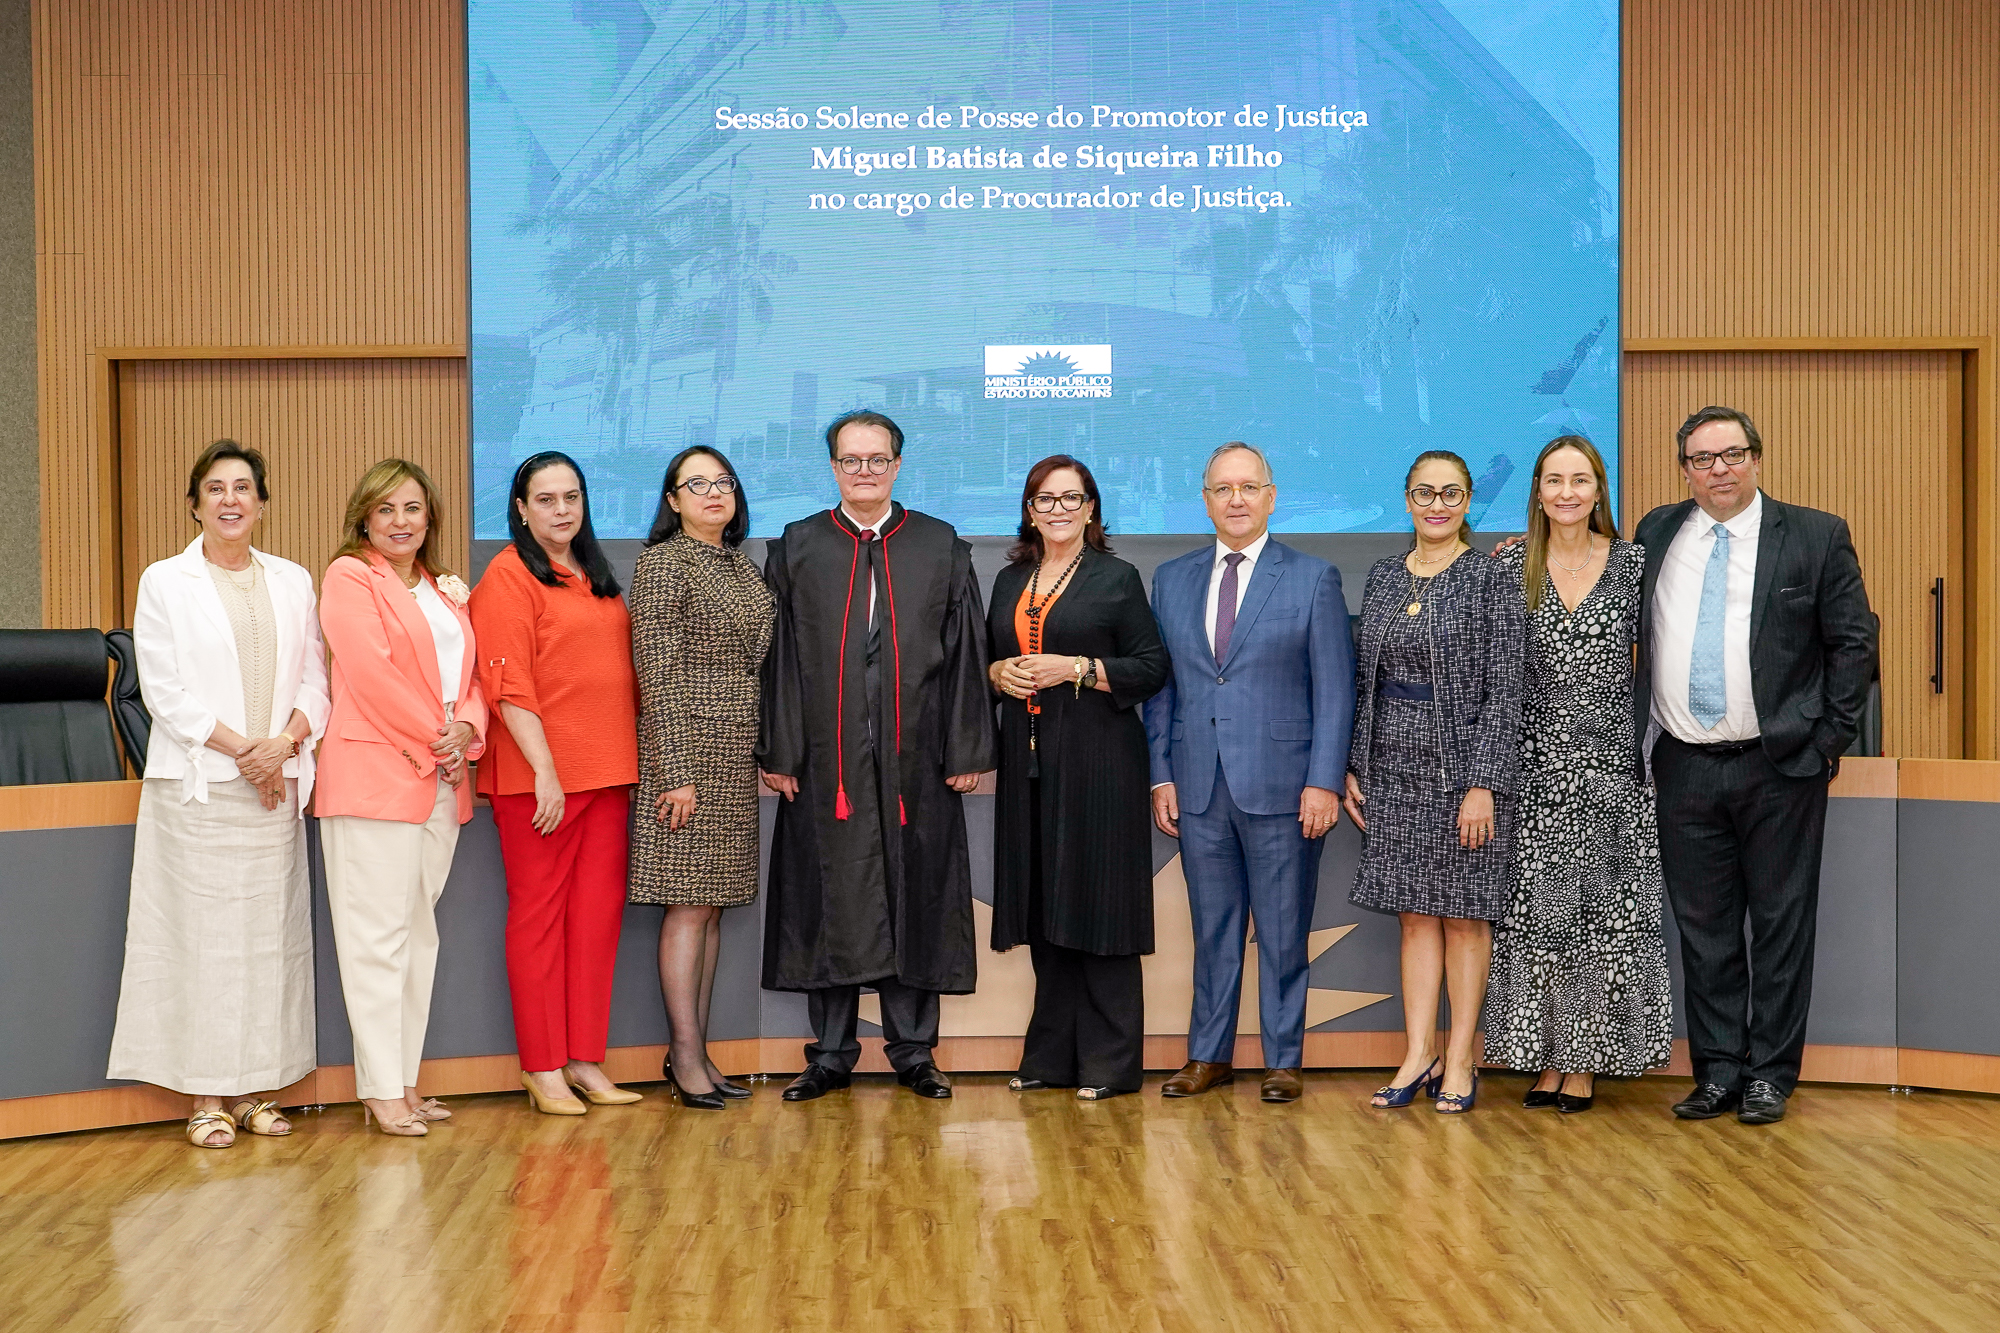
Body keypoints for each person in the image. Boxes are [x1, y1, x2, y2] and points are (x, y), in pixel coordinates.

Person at [1636, 406, 1874, 1125]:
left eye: (1732, 454)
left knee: (1779, 924)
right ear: (1684, 469)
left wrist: (1825, 739)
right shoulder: (1655, 532)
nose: (1719, 469)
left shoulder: (1814, 534)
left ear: (1756, 458)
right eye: (1703, 459)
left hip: (1780, 766)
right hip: (1682, 764)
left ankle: (1770, 1072)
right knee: (1704, 930)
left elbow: (1855, 645)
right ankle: (1717, 1071)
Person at [758, 409, 997, 1102]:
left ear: (897, 464)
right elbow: (778, 666)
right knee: (832, 896)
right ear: (833, 467)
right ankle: (830, 1052)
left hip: (916, 760)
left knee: (916, 895)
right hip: (826, 763)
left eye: (877, 459)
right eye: (850, 460)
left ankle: (914, 1050)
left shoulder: (939, 544)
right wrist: (782, 749)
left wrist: (965, 747)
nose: (864, 471)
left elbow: (965, 657)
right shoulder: (797, 546)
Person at [107, 440, 330, 1148]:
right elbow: (164, 692)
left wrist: (283, 745)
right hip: (201, 792)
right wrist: (247, 754)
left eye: (243, 487)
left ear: (262, 503)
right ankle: (206, 1094)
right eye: (215, 488)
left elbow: (316, 682)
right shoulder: (165, 580)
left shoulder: (293, 580)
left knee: (269, 945)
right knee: (202, 946)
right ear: (196, 503)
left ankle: (257, 1089)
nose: (230, 499)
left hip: (274, 791)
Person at [1143, 441, 1355, 1104]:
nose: (1235, 499)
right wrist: (1162, 774)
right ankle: (1208, 1055)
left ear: (1270, 495)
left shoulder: (1312, 577)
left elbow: (1336, 690)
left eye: (1248, 487)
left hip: (1286, 787)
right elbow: (1164, 690)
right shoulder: (1172, 579)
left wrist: (1324, 779)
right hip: (1198, 785)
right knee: (1213, 930)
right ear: (1205, 500)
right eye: (1222, 489)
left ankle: (1283, 1058)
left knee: (1285, 929)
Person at [1482, 437, 1672, 1113]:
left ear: (1599, 490)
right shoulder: (1510, 569)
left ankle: (1584, 1062)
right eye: (1554, 480)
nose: (1567, 492)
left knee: (1604, 921)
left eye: (1581, 479)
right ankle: (1544, 1057)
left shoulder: (1634, 564)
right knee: (1538, 919)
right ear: (1536, 491)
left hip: (1612, 775)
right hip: (1534, 774)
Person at [1343, 450, 1524, 1114]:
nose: (1438, 504)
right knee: (1416, 918)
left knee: (1466, 920)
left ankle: (1460, 1057)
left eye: (1451, 493)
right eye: (1425, 492)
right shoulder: (1386, 576)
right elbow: (1367, 681)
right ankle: (1418, 1051)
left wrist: (1485, 784)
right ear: (1408, 499)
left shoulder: (1489, 577)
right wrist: (1353, 763)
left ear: (1469, 500)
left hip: (1463, 775)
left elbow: (1506, 690)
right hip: (1391, 772)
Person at [989, 456, 1170, 1101]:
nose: (1058, 509)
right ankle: (1051, 1059)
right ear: (1029, 510)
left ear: (1091, 509)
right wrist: (996, 676)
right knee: (1046, 910)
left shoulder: (1117, 578)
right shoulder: (1010, 579)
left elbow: (1151, 668)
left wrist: (1080, 669)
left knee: (1102, 911)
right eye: (1045, 499)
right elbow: (993, 658)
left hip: (1101, 768)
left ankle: (1110, 1064)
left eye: (1072, 498)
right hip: (1029, 767)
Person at [470, 451, 644, 1115]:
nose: (562, 509)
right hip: (539, 781)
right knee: (539, 922)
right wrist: (545, 768)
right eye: (546, 499)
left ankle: (583, 1059)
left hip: (607, 775)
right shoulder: (508, 576)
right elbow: (506, 682)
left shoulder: (592, 573)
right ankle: (541, 1067)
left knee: (595, 923)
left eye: (571, 496)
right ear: (520, 508)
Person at [317, 459, 487, 1137]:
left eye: (412, 508)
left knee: (419, 937)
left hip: (440, 781)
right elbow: (369, 674)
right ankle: (380, 1091)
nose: (399, 521)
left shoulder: (444, 593)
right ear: (364, 517)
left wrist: (467, 727)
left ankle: (406, 1082)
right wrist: (438, 738)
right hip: (375, 779)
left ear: (429, 518)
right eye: (385, 509)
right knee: (376, 942)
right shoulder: (349, 577)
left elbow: (467, 674)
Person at [628, 446, 775, 1110]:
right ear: (672, 499)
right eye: (698, 484)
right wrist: (677, 774)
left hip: (735, 755)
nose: (714, 493)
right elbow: (656, 674)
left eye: (724, 481)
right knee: (688, 906)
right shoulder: (663, 562)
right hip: (685, 760)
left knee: (711, 906)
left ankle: (699, 1049)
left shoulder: (742, 567)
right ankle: (684, 1055)